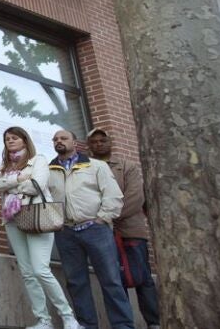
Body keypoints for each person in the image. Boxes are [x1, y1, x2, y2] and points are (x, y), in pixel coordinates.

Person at [0, 127, 80, 329]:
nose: (10, 141)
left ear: (24, 140)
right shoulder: (5, 165)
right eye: (7, 139)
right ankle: (43, 320)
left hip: (37, 217)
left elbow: (36, 185)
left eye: (14, 138)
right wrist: (17, 179)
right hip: (13, 220)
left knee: (40, 270)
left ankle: (68, 317)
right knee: (27, 273)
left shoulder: (38, 160)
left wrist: (9, 185)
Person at [48, 129, 133, 329]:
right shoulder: (48, 171)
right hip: (66, 232)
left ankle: (123, 325)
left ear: (75, 143)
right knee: (76, 283)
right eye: (55, 139)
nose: (59, 141)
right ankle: (87, 325)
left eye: (64, 138)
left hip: (96, 229)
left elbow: (113, 195)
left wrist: (102, 219)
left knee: (111, 280)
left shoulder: (96, 166)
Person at [86, 128, 159, 329]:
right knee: (113, 280)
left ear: (110, 143)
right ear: (89, 146)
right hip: (101, 233)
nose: (98, 144)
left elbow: (136, 197)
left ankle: (154, 322)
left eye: (102, 141)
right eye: (94, 141)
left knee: (143, 278)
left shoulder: (127, 166)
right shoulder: (85, 168)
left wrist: (108, 216)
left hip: (130, 231)